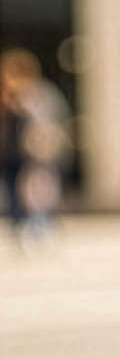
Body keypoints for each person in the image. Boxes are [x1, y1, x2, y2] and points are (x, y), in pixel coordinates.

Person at [1, 49, 67, 246]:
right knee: (15, 192)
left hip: (35, 155)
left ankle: (42, 225)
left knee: (40, 191)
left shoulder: (40, 96)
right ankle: (20, 227)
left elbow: (50, 125)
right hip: (10, 155)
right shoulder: (6, 98)